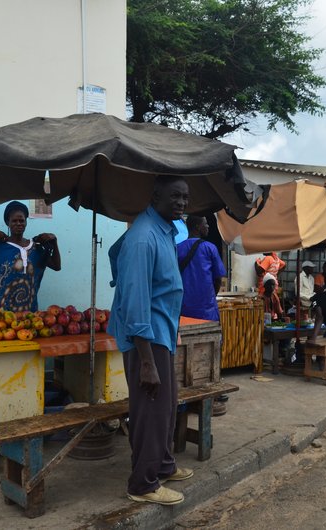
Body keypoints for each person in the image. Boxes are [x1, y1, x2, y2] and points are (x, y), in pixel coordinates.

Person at [107, 175, 194, 506]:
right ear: (156, 195)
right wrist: (146, 362)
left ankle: (163, 465)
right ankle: (142, 484)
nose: (182, 204)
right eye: (175, 196)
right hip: (147, 338)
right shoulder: (144, 237)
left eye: (185, 197)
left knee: (166, 406)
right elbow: (136, 299)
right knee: (150, 409)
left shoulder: (164, 231)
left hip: (161, 334)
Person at [0, 201, 60, 312]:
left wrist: (54, 242)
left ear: (26, 222)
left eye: (21, 220)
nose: (18, 224)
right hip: (2, 315)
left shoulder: (36, 247)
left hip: (30, 315)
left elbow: (57, 266)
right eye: (14, 221)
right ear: (8, 222)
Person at [177, 216, 227, 321]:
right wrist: (210, 297)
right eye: (205, 223)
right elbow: (218, 279)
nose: (208, 226)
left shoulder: (177, 248)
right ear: (197, 227)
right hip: (206, 310)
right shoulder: (210, 248)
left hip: (183, 308)